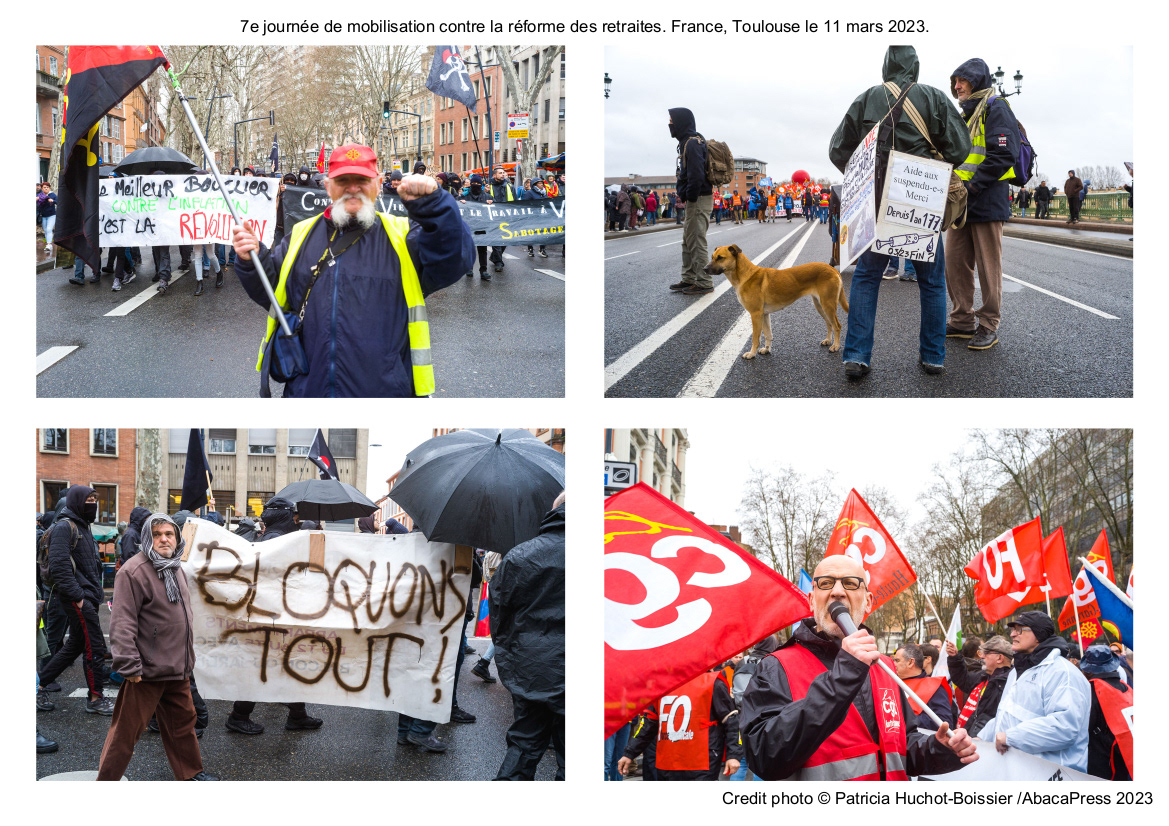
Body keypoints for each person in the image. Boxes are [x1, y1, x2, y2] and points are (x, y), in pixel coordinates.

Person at [232, 144, 472, 398]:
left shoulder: (404, 235)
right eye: (343, 180)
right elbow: (274, 294)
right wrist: (253, 259)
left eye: (362, 179)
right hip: (309, 393)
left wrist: (435, 206)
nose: (353, 187)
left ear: (379, 183)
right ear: (327, 186)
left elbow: (455, 258)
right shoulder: (300, 235)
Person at [740, 554, 977, 780]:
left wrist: (940, 749)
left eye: (851, 584)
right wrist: (844, 676)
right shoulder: (776, 667)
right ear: (812, 600)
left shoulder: (884, 666)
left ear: (868, 602)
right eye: (826, 583)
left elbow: (902, 747)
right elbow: (764, 757)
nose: (837, 592)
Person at [829, 46, 971, 380]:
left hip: (878, 197)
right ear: (915, 68)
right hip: (921, 194)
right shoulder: (934, 98)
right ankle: (933, 356)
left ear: (886, 67)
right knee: (932, 282)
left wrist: (862, 174)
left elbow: (838, 149)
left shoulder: (867, 98)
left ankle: (857, 355)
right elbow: (960, 149)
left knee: (867, 276)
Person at [97, 513, 218, 781]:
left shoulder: (176, 567)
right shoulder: (134, 571)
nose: (164, 539)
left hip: (176, 667)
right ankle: (105, 782)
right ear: (146, 539)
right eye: (157, 534)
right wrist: (129, 665)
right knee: (126, 733)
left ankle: (190, 773)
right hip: (146, 671)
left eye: (169, 534)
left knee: (183, 725)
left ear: (177, 538)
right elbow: (122, 622)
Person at [945, 59, 1022, 353]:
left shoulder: (996, 107)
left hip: (986, 198)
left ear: (976, 80)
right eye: (954, 82)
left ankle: (989, 323)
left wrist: (973, 185)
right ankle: (962, 320)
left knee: (988, 267)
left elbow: (1004, 155)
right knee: (954, 262)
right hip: (961, 202)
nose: (956, 87)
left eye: (962, 81)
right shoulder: (966, 114)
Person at [491, 492, 565, 780]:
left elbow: (499, 615)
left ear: (553, 512)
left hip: (531, 666)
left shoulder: (520, 554)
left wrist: (511, 660)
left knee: (524, 744)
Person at [36, 485, 116, 714]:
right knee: (95, 646)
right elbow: (60, 567)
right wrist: (80, 598)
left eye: (95, 499)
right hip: (77, 598)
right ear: (77, 501)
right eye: (89, 499)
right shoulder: (64, 526)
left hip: (85, 596)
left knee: (74, 646)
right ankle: (95, 698)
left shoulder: (83, 526)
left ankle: (37, 685)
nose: (93, 503)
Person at [979, 610, 1090, 771]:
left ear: (1037, 635)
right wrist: (980, 738)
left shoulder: (1063, 673)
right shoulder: (1017, 672)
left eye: (1019, 629)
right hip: (1019, 771)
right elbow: (1005, 715)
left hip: (1052, 777)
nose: (1012, 634)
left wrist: (1011, 737)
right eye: (1012, 630)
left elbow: (1064, 727)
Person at [618, 665, 742, 781]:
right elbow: (649, 725)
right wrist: (630, 753)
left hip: (701, 764)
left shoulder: (713, 682)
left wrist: (733, 755)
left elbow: (731, 720)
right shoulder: (661, 686)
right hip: (668, 764)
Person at [668, 108, 714, 296]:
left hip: (698, 199)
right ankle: (689, 278)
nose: (669, 124)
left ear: (680, 122)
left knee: (696, 240)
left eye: (671, 120)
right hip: (695, 199)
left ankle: (704, 281)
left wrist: (690, 196)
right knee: (688, 241)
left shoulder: (693, 144)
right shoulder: (687, 142)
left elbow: (696, 175)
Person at [1079, 644, 1133, 780]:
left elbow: (1082, 731)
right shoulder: (1126, 688)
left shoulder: (1090, 691)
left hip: (1100, 767)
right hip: (1125, 762)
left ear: (1088, 670)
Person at [944, 635, 1012, 737]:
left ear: (999, 658)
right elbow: (962, 679)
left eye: (987, 653)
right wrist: (954, 657)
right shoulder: (984, 676)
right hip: (967, 738)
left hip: (981, 744)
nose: (982, 656)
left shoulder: (1008, 685)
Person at [892, 643, 954, 729]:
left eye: (897, 661)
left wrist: (905, 718)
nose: (893, 664)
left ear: (910, 662)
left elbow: (945, 724)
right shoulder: (892, 683)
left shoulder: (935, 687)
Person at [487, 165, 518, 272]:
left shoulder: (510, 186)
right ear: (495, 175)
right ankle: (499, 262)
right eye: (500, 173)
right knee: (497, 239)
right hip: (494, 217)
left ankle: (494, 257)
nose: (503, 174)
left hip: (507, 216)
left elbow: (515, 201)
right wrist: (485, 193)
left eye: (503, 173)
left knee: (505, 239)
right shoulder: (488, 187)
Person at [461, 174, 492, 280]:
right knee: (469, 248)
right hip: (468, 226)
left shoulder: (487, 196)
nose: (476, 185)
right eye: (474, 183)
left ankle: (483, 270)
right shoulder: (465, 196)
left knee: (482, 249)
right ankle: (469, 268)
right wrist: (461, 202)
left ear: (481, 185)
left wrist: (492, 203)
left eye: (478, 184)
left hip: (481, 226)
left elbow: (496, 209)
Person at [38, 182, 57, 252]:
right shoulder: (40, 195)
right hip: (43, 216)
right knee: (46, 230)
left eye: (47, 187)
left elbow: (58, 202)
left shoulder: (52, 195)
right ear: (42, 189)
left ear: (49, 188)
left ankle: (49, 245)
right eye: (44, 187)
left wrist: (53, 201)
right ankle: (49, 244)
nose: (46, 189)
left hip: (51, 215)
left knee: (49, 229)